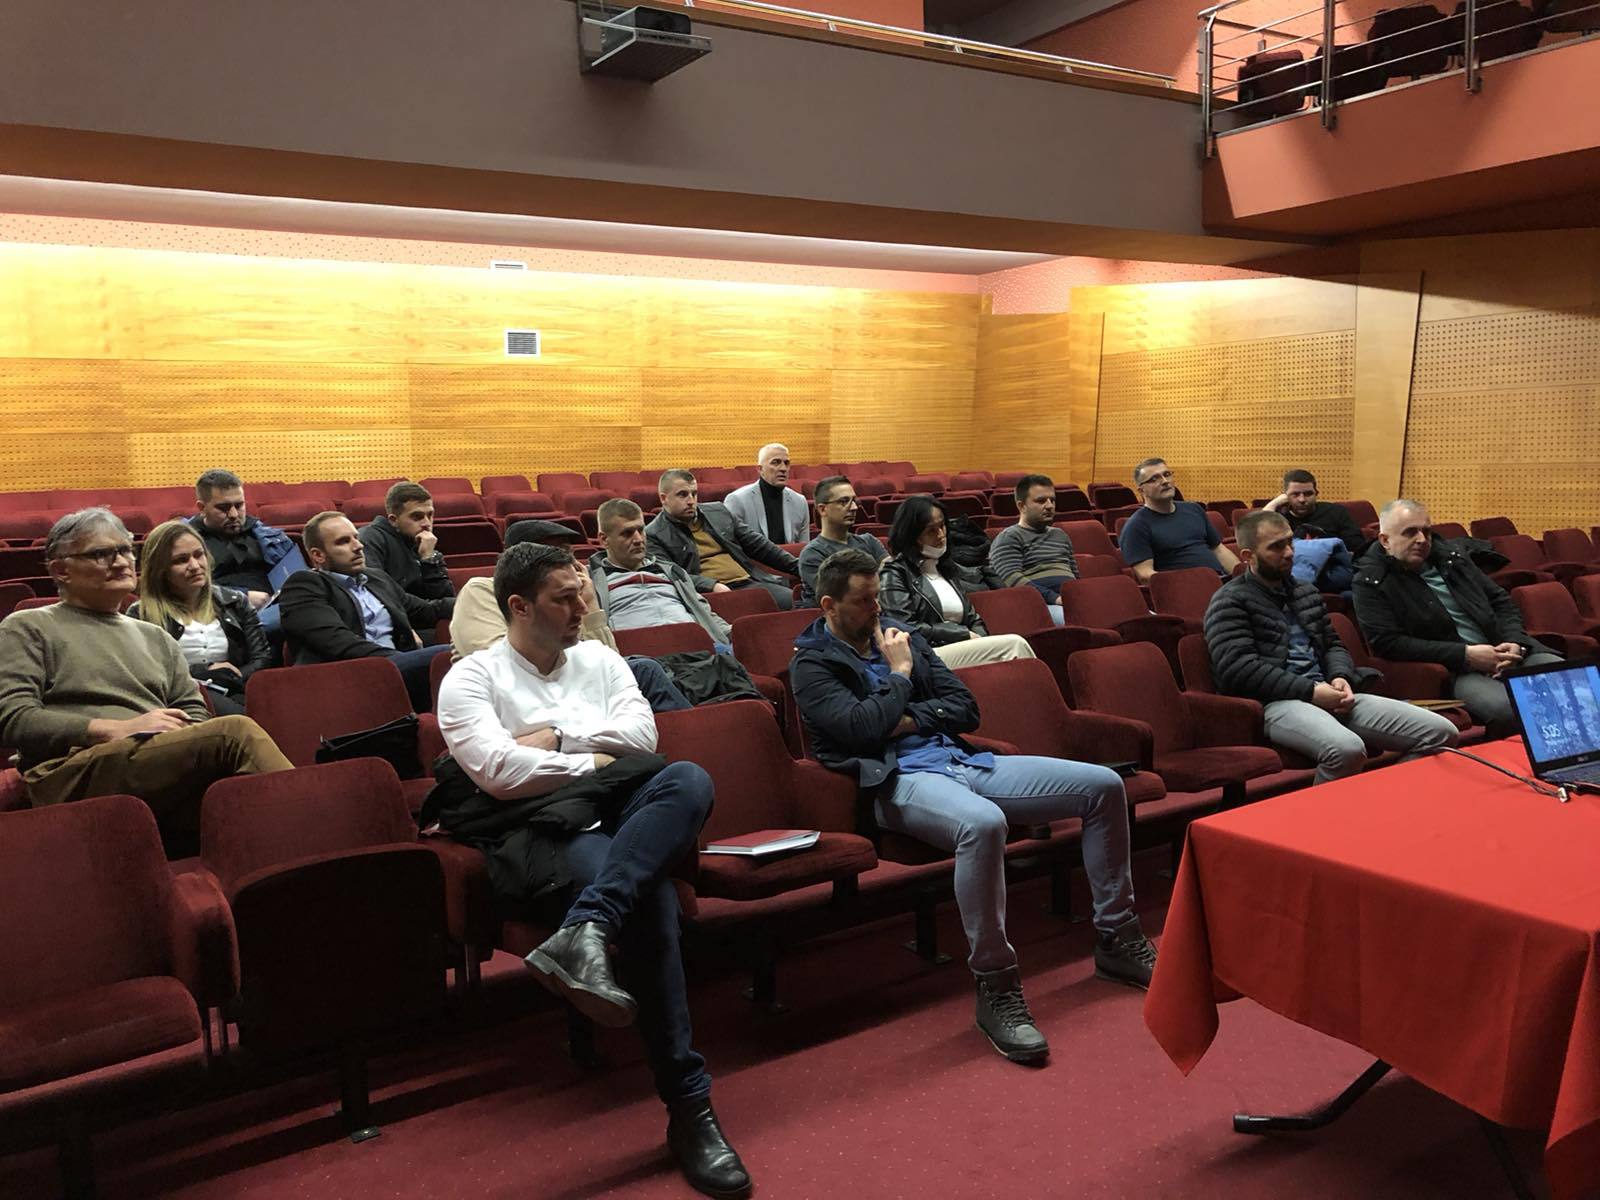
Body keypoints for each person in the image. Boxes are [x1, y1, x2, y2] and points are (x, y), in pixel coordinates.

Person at [436, 542, 750, 1198]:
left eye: (581, 592)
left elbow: (644, 740)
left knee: (687, 778)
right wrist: (595, 759)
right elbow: (500, 774)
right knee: (650, 897)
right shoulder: (470, 679)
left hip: (621, 811)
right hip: (547, 827)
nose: (584, 607)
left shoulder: (601, 659)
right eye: (565, 598)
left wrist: (555, 739)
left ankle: (586, 929)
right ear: (520, 607)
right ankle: (690, 1107)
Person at [791, 548, 1157, 1064]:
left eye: (878, 598)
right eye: (864, 601)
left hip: (962, 761)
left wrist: (906, 718)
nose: (877, 610)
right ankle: (996, 983)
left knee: (1103, 785)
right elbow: (859, 730)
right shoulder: (811, 664)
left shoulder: (901, 634)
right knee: (984, 824)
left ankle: (1117, 936)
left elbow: (965, 707)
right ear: (829, 605)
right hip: (896, 782)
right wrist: (900, 676)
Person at [0, 509, 291, 849]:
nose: (121, 561)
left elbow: (193, 710)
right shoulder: (27, 627)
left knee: (242, 807)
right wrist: (112, 729)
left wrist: (177, 739)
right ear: (60, 570)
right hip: (68, 769)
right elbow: (12, 717)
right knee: (234, 732)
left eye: (125, 550)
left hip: (150, 761)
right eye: (101, 553)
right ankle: (319, 830)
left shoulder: (156, 637)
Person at [1205, 511, 1458, 784]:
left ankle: (1382, 796)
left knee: (1441, 732)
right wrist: (1311, 692)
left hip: (1329, 692)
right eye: (1276, 547)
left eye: (1290, 542)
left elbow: (1332, 645)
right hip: (1275, 702)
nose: (1289, 552)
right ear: (1248, 556)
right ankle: (1321, 812)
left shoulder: (1305, 592)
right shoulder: (1229, 601)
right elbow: (1239, 669)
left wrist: (1340, 676)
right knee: (1346, 750)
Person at [1353, 499, 1560, 735]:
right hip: (1455, 669)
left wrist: (1514, 641)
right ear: (1385, 540)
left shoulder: (1452, 558)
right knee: (1509, 710)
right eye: (1410, 532)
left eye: (1426, 532)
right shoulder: (1370, 580)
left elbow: (1500, 600)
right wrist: (1466, 655)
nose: (1422, 540)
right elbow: (1387, 643)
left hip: (1506, 652)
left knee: (1576, 684)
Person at [449, 521, 692, 713]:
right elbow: (505, 667)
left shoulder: (573, 596)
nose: (571, 564)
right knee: (644, 670)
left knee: (643, 669)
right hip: (518, 700)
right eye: (557, 554)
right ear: (524, 557)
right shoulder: (481, 590)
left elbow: (610, 662)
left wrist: (589, 603)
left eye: (570, 554)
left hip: (573, 685)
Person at [277, 512, 453, 712]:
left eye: (356, 538)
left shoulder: (376, 579)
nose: (358, 546)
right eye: (344, 542)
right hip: (347, 676)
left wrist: (476, 598)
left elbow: (427, 610)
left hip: (396, 667)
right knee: (448, 655)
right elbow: (339, 643)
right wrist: (401, 659)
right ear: (318, 555)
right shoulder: (303, 585)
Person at [129, 519, 273, 717]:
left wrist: (231, 677)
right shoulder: (141, 614)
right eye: (181, 560)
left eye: (199, 555)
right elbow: (146, 673)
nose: (195, 565)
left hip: (238, 690)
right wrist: (206, 671)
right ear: (160, 569)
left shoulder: (234, 601)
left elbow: (262, 657)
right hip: (179, 699)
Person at [878, 495, 1035, 669]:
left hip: (960, 647)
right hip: (925, 654)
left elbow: (973, 618)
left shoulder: (945, 568)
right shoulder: (894, 573)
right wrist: (961, 634)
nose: (941, 535)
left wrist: (980, 638)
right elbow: (904, 627)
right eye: (931, 530)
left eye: (942, 526)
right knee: (1014, 646)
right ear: (913, 535)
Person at [646, 469, 799, 611]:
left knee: (796, 601)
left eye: (694, 493)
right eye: (682, 495)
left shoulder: (718, 511)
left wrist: (797, 566)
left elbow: (758, 545)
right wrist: (711, 585)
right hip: (707, 595)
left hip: (749, 583)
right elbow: (669, 575)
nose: (691, 500)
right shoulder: (653, 534)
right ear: (664, 498)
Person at [590, 499, 734, 648]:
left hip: (696, 649)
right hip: (641, 655)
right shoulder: (592, 581)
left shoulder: (671, 571)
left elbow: (703, 611)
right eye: (627, 533)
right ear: (604, 540)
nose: (638, 539)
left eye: (641, 530)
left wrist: (731, 633)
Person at [186, 468, 307, 633]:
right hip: (218, 615)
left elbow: (299, 579)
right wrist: (241, 596)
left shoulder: (270, 536)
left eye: (239, 505)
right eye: (223, 508)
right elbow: (181, 590)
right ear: (202, 507)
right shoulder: (184, 543)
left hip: (278, 609)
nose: (233, 514)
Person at [1119, 457, 1240, 582]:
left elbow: (1219, 550)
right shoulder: (1136, 525)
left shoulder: (1193, 509)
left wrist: (1242, 576)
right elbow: (1145, 575)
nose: (1165, 481)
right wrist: (1189, 583)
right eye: (1154, 479)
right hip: (1184, 587)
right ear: (1141, 490)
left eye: (1167, 474)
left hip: (1220, 582)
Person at [988, 474, 1078, 624]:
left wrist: (1081, 596)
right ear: (1021, 506)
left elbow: (1075, 575)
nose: (1049, 506)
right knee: (1074, 620)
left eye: (1052, 500)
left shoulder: (1060, 535)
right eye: (1041, 501)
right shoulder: (1009, 537)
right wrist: (1054, 598)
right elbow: (1010, 579)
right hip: (1038, 605)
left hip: (1069, 600)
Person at [358, 481, 455, 611]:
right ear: (393, 520)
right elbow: (382, 595)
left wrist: (428, 559)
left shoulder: (425, 544)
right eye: (417, 517)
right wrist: (436, 608)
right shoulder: (370, 539)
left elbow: (446, 597)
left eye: (430, 515)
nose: (427, 523)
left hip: (426, 615)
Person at [796, 475, 887, 607]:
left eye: (854, 500)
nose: (854, 507)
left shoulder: (869, 541)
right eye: (844, 501)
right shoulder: (812, 554)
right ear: (822, 509)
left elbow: (893, 578)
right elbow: (841, 596)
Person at [723, 443, 809, 544]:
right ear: (760, 469)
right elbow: (731, 546)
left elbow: (804, 548)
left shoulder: (800, 502)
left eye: (786, 463)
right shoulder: (737, 500)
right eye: (775, 462)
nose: (783, 468)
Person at [1263, 469, 1366, 553]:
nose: (1302, 499)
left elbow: (1358, 547)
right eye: (1295, 494)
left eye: (1308, 494)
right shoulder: (1279, 517)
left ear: (1316, 493)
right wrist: (1273, 504)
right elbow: (1260, 544)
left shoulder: (1336, 512)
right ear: (1284, 496)